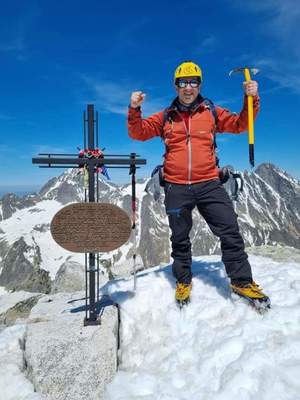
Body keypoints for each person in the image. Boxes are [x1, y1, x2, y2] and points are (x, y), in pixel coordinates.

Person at [127, 60, 270, 308]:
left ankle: (241, 281)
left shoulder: (211, 112)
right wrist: (134, 108)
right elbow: (138, 133)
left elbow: (241, 124)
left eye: (193, 82)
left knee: (230, 230)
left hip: (209, 183)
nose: (188, 87)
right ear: (176, 86)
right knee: (180, 237)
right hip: (176, 185)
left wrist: (252, 99)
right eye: (183, 82)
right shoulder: (165, 117)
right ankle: (183, 279)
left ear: (199, 84)